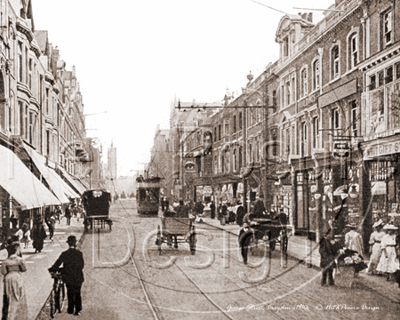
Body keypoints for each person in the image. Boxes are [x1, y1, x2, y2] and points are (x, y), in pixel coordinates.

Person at [49, 235, 84, 316]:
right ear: (75, 243)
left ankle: (70, 309)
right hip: (78, 276)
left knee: (70, 292)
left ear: (68, 244)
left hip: (68, 276)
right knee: (77, 292)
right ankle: (77, 310)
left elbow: (57, 264)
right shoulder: (79, 254)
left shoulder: (64, 254)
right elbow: (81, 266)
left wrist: (52, 269)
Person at [1, 242, 28, 320]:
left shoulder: (5, 261)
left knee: (9, 297)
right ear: (16, 250)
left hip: (8, 278)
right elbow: (24, 269)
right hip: (17, 278)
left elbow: (3, 272)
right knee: (18, 296)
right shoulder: (20, 260)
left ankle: (8, 316)